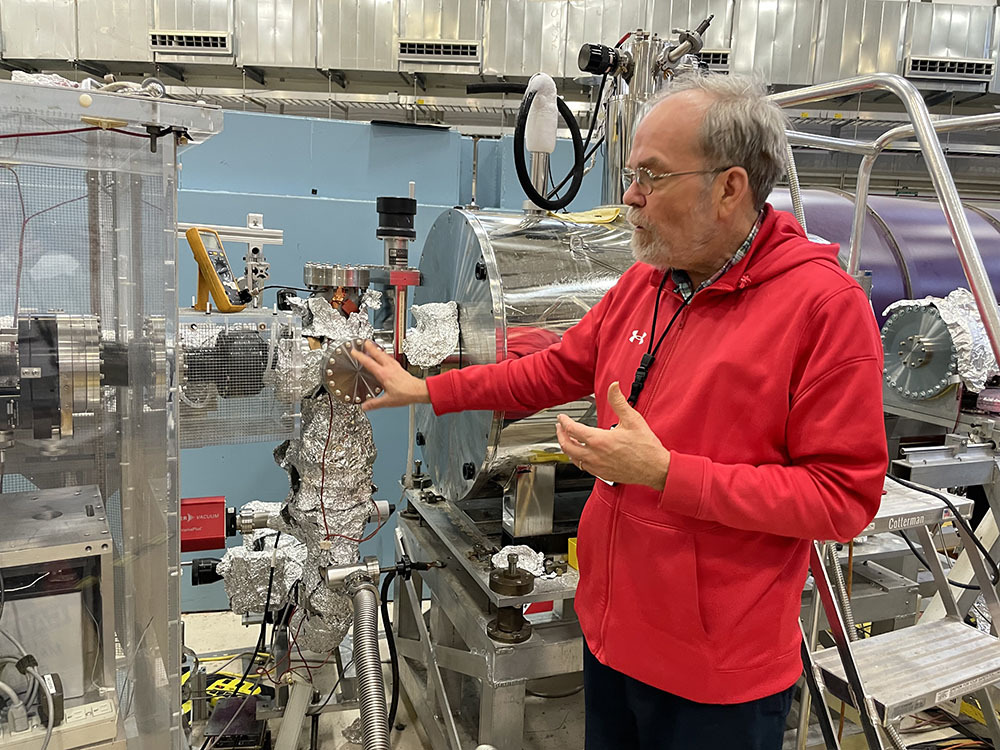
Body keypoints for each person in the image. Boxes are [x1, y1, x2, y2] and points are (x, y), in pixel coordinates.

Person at [353, 72, 888, 750]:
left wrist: (669, 473)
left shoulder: (824, 308)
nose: (630, 196)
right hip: (609, 639)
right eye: (633, 172)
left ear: (730, 187)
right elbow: (553, 371)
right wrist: (430, 391)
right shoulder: (647, 282)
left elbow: (841, 499)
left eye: (653, 177)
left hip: (716, 679)